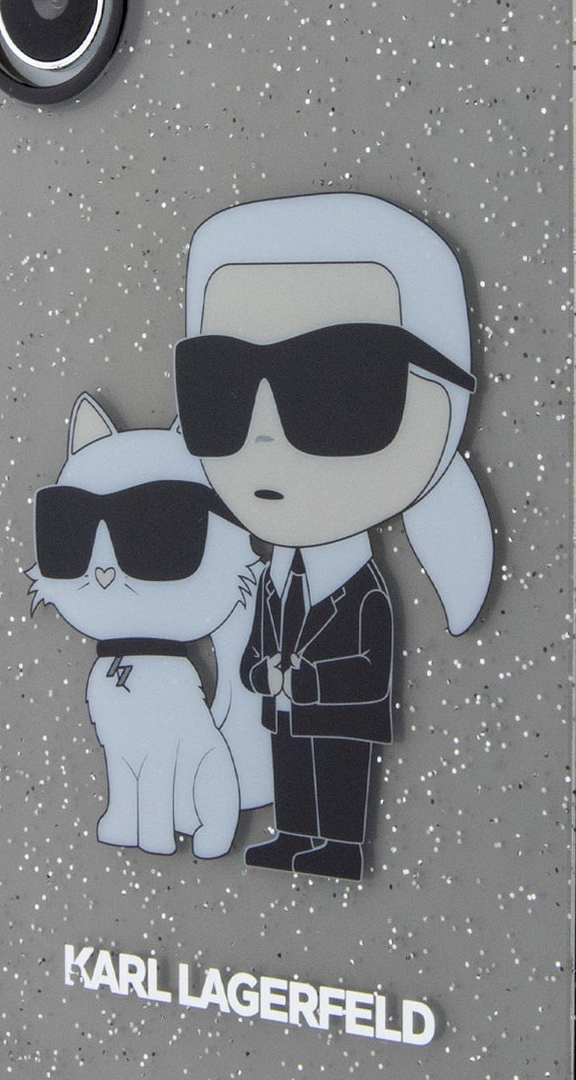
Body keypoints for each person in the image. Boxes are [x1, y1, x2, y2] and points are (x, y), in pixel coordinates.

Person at [176, 193, 495, 878]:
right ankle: (296, 834)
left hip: (338, 715)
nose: (265, 434)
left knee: (339, 777)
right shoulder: (272, 578)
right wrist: (262, 674)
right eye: (221, 387)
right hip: (287, 710)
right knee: (292, 768)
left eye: (340, 389)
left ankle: (339, 844)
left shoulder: (364, 590)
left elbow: (369, 664)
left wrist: (306, 678)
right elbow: (258, 645)